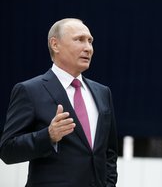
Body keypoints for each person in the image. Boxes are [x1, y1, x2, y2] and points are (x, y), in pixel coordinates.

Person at [0, 18, 118, 187]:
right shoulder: (30, 90)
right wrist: (48, 136)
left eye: (90, 41)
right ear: (55, 45)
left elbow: (109, 152)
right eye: (79, 39)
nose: (88, 48)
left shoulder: (102, 92)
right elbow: (7, 150)